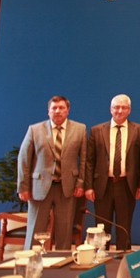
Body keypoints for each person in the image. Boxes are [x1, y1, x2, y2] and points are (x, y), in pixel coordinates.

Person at [17, 95, 87, 250]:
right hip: (39, 188)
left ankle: (61, 261)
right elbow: (24, 159)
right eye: (54, 108)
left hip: (67, 188)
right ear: (48, 111)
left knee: (65, 231)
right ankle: (31, 260)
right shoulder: (35, 130)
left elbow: (84, 159)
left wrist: (80, 183)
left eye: (61, 108)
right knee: (35, 230)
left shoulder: (80, 129)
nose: (57, 111)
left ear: (68, 110)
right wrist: (23, 187)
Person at [84, 94, 140, 250]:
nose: (119, 111)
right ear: (110, 109)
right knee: (102, 226)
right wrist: (89, 186)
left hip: (126, 185)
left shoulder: (139, 130)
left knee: (124, 226)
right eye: (116, 107)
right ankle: (101, 256)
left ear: (129, 110)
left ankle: (122, 256)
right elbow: (89, 161)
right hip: (102, 185)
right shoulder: (97, 130)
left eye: (124, 108)